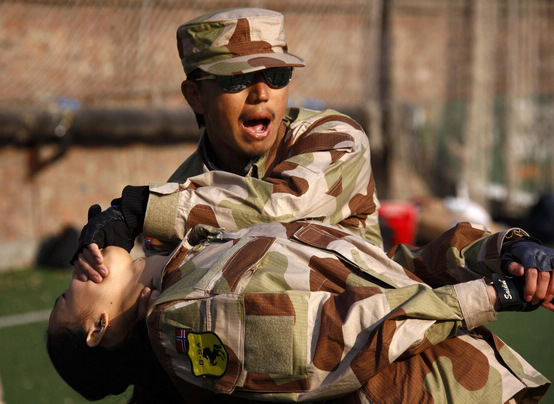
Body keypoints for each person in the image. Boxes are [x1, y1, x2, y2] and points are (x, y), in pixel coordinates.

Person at [48, 220, 554, 403]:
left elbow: (394, 267)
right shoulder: (177, 322)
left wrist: (501, 249)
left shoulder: (186, 263)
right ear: (97, 330)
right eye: (64, 298)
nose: (74, 270)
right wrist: (489, 295)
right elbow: (341, 338)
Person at [72, 8, 382, 284]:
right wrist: (106, 263)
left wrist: (141, 209)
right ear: (195, 96)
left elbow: (284, 205)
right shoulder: (178, 192)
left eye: (276, 75)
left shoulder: (336, 138)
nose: (261, 93)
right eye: (236, 80)